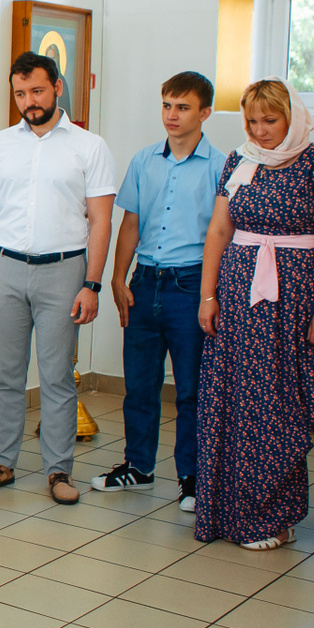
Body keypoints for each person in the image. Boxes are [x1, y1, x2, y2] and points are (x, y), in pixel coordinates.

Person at [193, 80, 314, 551]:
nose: (260, 131)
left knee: (278, 406)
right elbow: (219, 231)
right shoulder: (239, 161)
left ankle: (273, 515)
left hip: (294, 299)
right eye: (252, 121)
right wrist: (207, 296)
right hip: (238, 296)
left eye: (270, 120)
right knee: (232, 402)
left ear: (292, 117)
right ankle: (227, 512)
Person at [0, 51, 116, 506]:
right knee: (6, 375)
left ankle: (59, 471)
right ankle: (1, 463)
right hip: (5, 268)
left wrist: (92, 284)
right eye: (20, 93)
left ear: (57, 88)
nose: (29, 101)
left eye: (37, 91)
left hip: (64, 271)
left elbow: (101, 222)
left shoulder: (90, 147)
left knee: (56, 376)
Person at [93, 71, 224, 512]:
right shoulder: (144, 160)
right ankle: (138, 467)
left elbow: (222, 235)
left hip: (191, 286)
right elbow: (130, 223)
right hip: (145, 282)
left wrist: (210, 296)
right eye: (167, 105)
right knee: (140, 385)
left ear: (205, 113)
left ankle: (192, 478)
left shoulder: (221, 166)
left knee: (190, 390)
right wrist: (117, 277)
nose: (172, 115)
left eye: (183, 107)